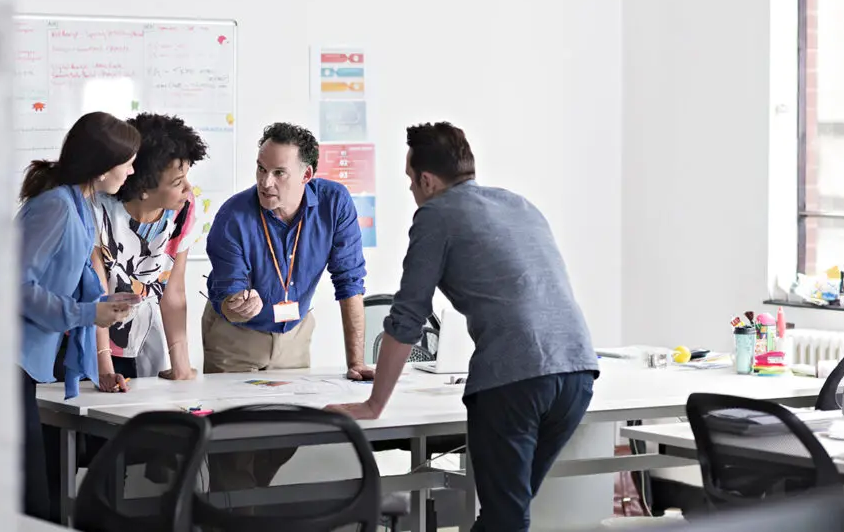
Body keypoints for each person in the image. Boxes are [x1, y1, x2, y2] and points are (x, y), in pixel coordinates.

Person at [326, 122, 600, 532]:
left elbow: (407, 317)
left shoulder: (435, 214)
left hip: (514, 380)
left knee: (505, 516)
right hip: (578, 371)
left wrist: (374, 405)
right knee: (507, 512)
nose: (412, 192)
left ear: (426, 180)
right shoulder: (519, 204)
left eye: (410, 182)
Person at [202, 122, 373, 492]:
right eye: (262, 169)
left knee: (285, 439)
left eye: (279, 173)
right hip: (236, 339)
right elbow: (228, 298)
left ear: (307, 174)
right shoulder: (233, 216)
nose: (266, 182)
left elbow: (350, 282)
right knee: (232, 450)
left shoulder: (334, 203)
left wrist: (355, 362)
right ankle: (234, 517)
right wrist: (238, 306)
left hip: (294, 335)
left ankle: (252, 512)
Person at [16, 111, 140, 521]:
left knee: (39, 492)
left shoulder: (81, 203)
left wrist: (111, 303)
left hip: (24, 362)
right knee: (30, 497)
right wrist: (89, 312)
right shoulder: (56, 207)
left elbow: (80, 273)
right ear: (104, 165)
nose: (132, 170)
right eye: (128, 161)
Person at [91, 112, 209, 390]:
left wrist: (180, 364)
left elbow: (174, 291)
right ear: (144, 187)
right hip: (91, 341)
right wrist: (104, 369)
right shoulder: (96, 210)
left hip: (143, 337)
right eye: (178, 182)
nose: (188, 189)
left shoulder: (185, 210)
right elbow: (94, 294)